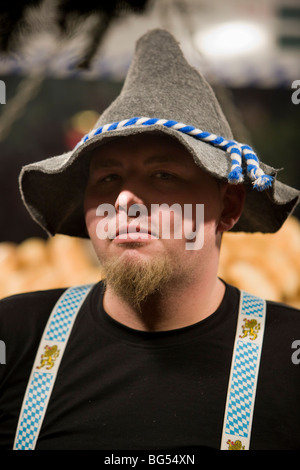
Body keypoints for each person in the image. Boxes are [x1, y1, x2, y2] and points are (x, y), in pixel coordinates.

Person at [0, 28, 300, 451]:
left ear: (228, 206)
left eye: (163, 175)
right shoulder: (14, 339)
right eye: (108, 178)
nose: (123, 200)